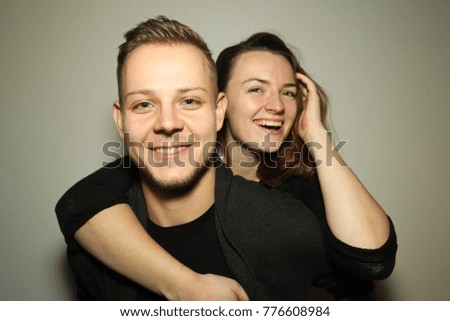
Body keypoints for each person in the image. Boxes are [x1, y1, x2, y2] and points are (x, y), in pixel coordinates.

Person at [56, 16, 397, 300]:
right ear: (225, 105)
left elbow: (370, 265)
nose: (276, 105)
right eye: (256, 88)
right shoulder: (128, 193)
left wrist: (316, 133)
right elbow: (80, 202)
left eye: (289, 92)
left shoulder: (295, 208)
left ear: (215, 110)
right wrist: (186, 286)